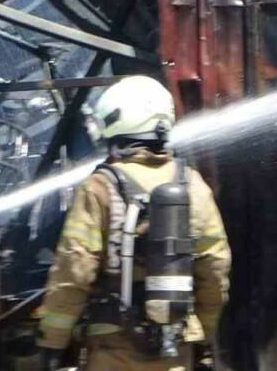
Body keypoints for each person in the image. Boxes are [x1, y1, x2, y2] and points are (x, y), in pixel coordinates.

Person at [36, 76, 231, 371]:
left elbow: (73, 272)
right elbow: (214, 267)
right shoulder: (193, 185)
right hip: (175, 348)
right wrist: (203, 333)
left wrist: (53, 343)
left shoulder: (99, 187)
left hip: (114, 349)